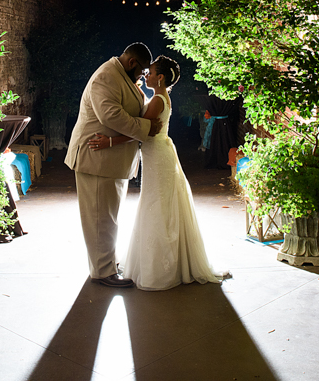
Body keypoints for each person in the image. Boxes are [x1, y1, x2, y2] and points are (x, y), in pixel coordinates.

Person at [89, 55, 227, 291]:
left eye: (150, 72)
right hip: (159, 153)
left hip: (158, 157)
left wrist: (109, 143)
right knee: (160, 204)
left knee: (156, 205)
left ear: (160, 77)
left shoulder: (157, 102)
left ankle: (160, 268)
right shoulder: (160, 97)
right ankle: (165, 262)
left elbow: (138, 130)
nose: (146, 74)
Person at [65, 43, 163, 288]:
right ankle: (102, 272)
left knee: (107, 217)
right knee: (99, 218)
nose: (141, 77)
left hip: (110, 160)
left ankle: (107, 263)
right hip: (96, 158)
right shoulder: (106, 77)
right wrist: (146, 128)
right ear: (132, 63)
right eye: (141, 72)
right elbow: (110, 115)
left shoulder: (120, 75)